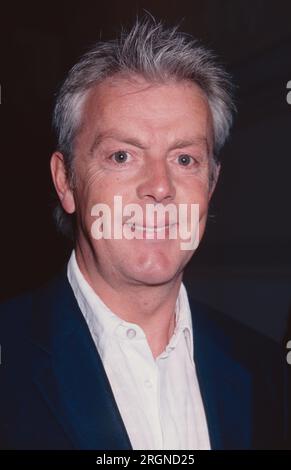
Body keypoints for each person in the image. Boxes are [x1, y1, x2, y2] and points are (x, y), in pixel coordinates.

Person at [0, 17, 287, 450]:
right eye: (122, 155)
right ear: (66, 181)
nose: (159, 186)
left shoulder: (268, 372)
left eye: (185, 159)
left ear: (211, 184)